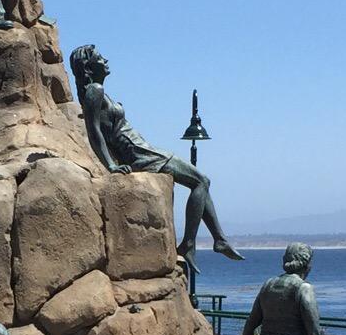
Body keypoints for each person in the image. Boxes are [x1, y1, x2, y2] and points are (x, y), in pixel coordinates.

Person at [71, 45, 242, 267]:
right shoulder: (95, 90)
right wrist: (111, 166)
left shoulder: (98, 90)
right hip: (139, 155)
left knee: (201, 181)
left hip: (143, 150)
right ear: (88, 66)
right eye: (99, 57)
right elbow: (94, 132)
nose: (105, 60)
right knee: (201, 180)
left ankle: (218, 239)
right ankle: (193, 245)